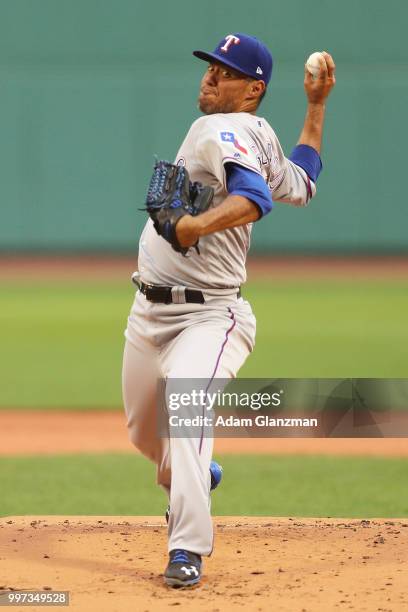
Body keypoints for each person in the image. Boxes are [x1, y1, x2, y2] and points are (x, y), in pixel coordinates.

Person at [122, 33, 336, 587]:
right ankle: (199, 474)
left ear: (253, 89)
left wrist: (193, 225)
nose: (211, 77)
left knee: (186, 410)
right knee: (147, 435)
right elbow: (305, 177)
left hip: (211, 317)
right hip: (150, 315)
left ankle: (186, 549)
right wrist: (315, 107)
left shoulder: (225, 129)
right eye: (211, 67)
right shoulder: (257, 134)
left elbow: (256, 201)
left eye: (225, 71)